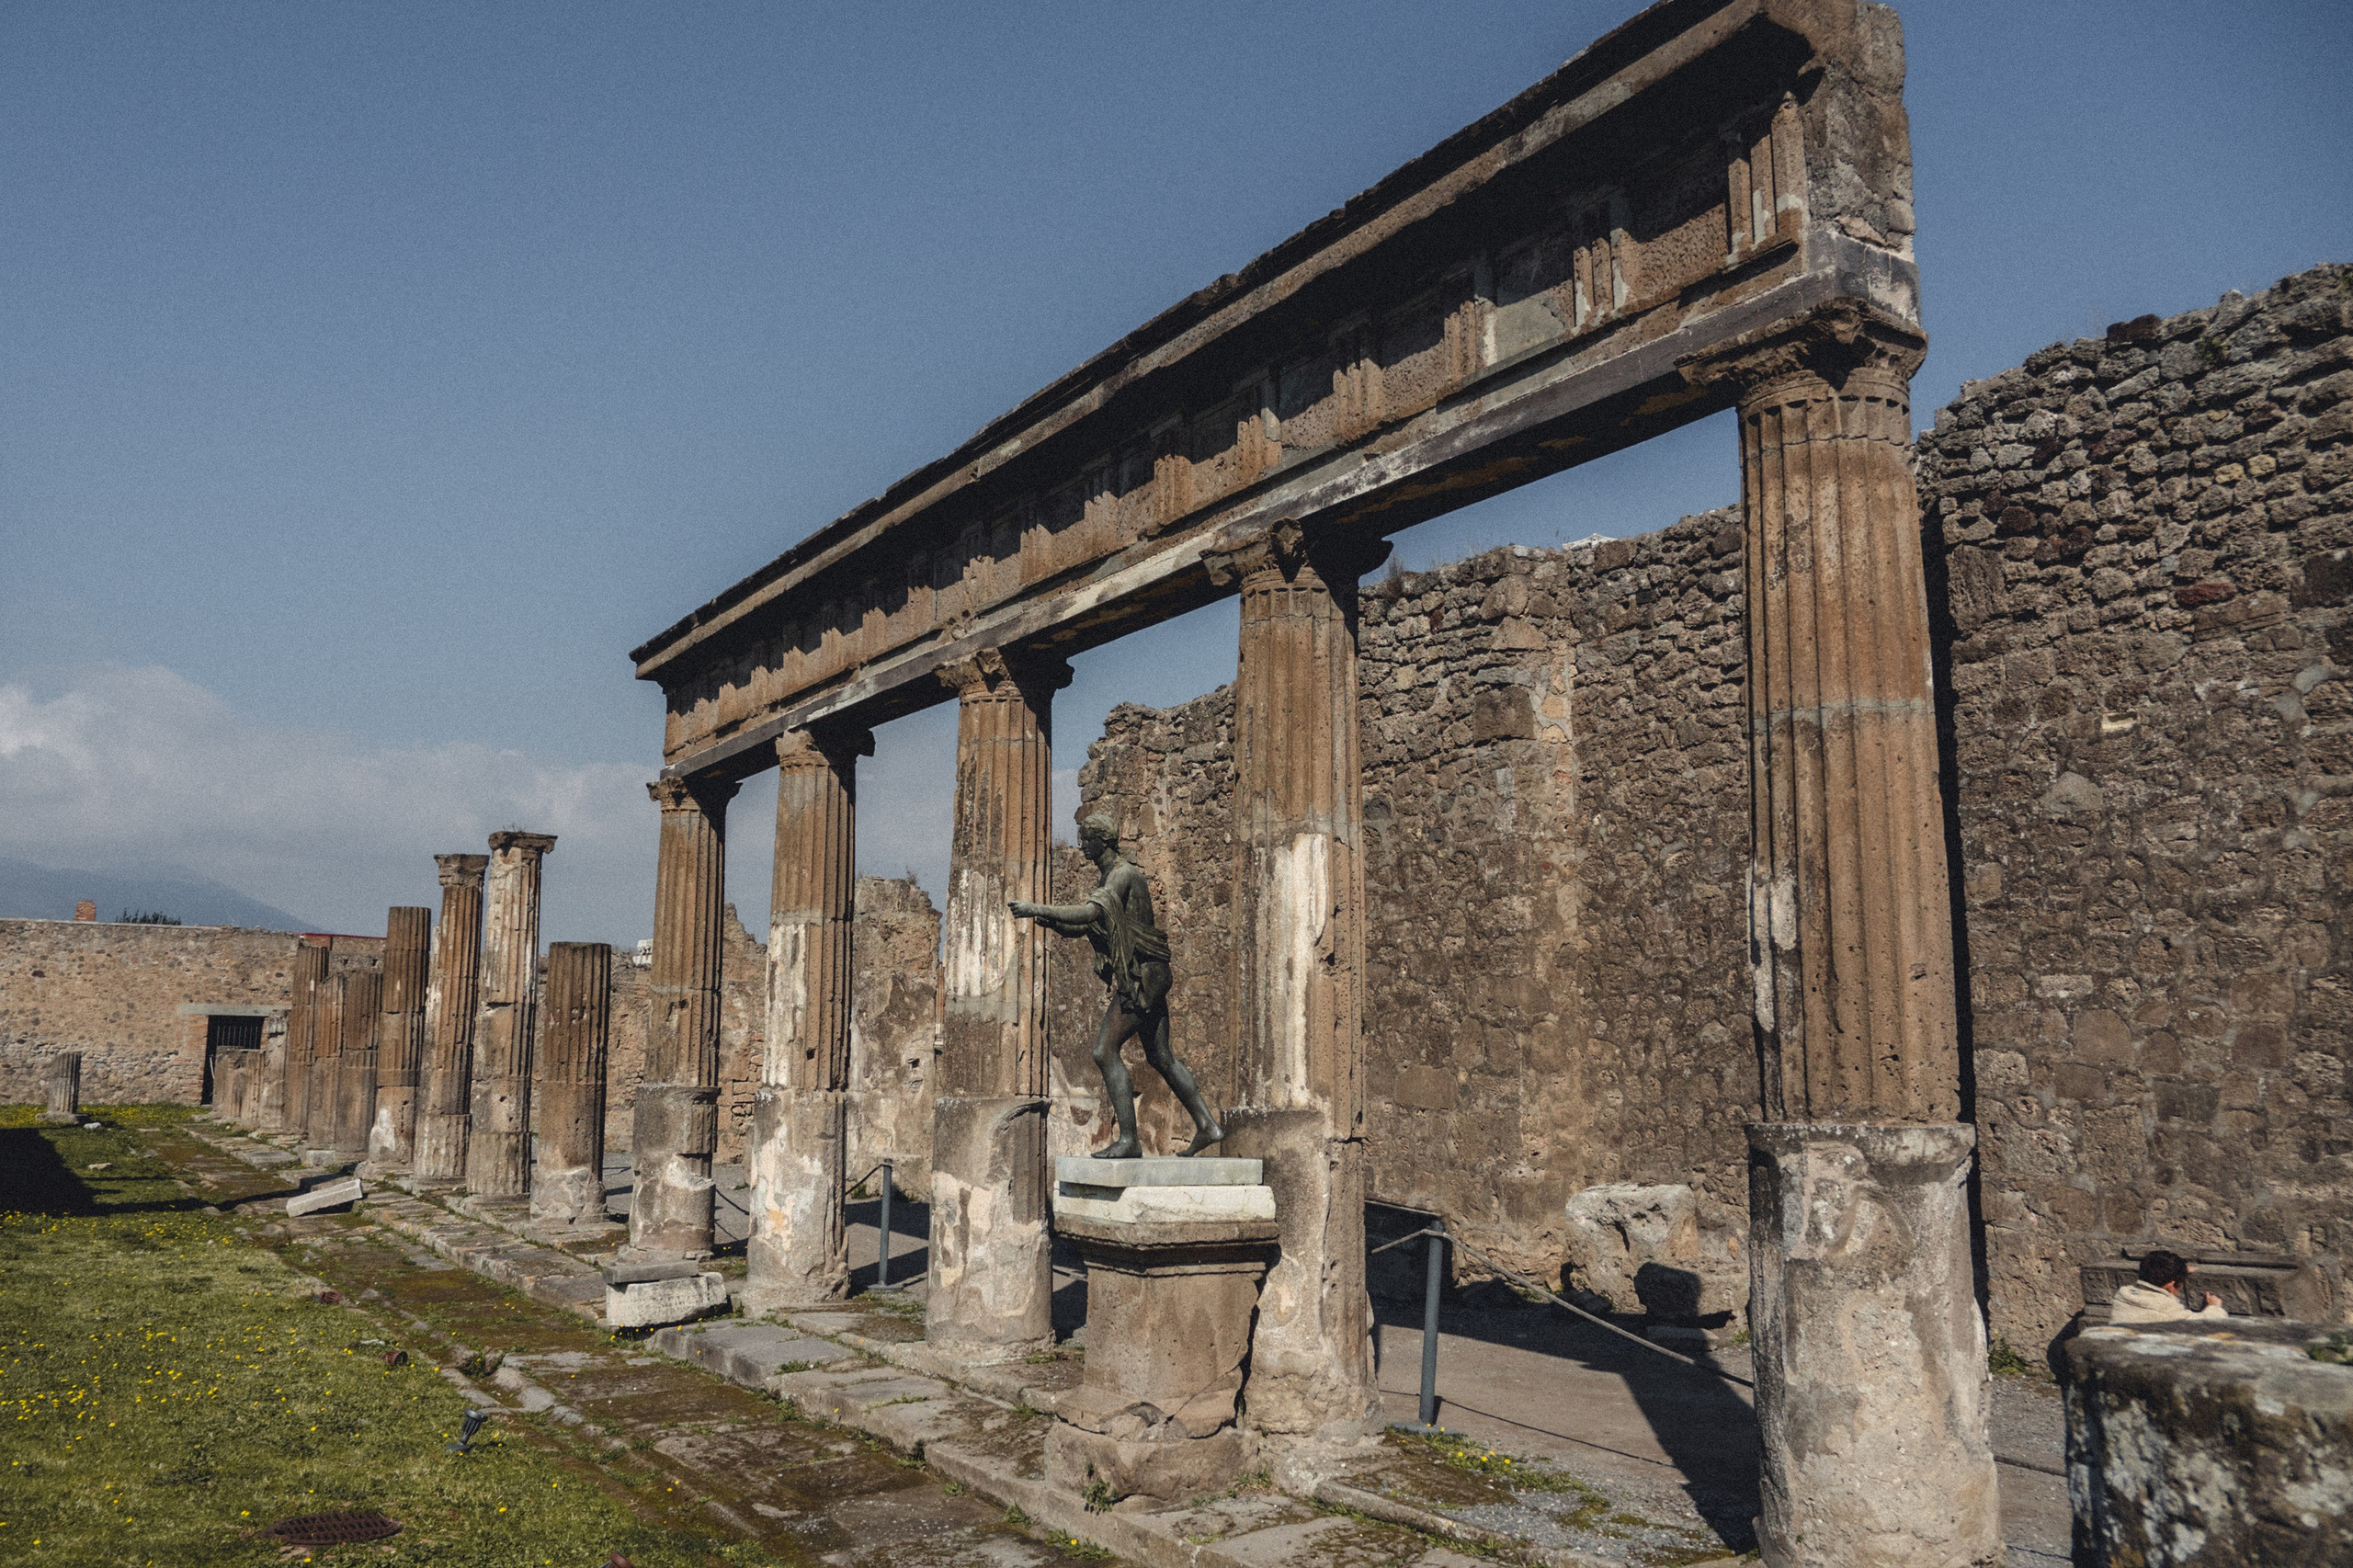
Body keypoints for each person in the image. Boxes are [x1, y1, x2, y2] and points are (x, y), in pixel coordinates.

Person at [1008, 813, 1223, 1159]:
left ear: (1104, 841)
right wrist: (1047, 920)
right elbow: (1089, 926)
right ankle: (1207, 1126)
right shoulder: (1111, 875)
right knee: (1161, 1056)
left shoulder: (1122, 874)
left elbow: (1089, 915)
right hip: (1151, 973)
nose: (1081, 845)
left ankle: (1129, 1140)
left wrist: (1036, 906)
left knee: (1104, 1051)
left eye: (1086, 839)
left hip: (1142, 976)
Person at [2109, 1249, 2226, 1324]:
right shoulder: (2166, 1309)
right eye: (2179, 1285)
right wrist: (2215, 1308)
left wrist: (2179, 1272)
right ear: (2170, 1284)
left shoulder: (2123, 1294)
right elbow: (2208, 1325)